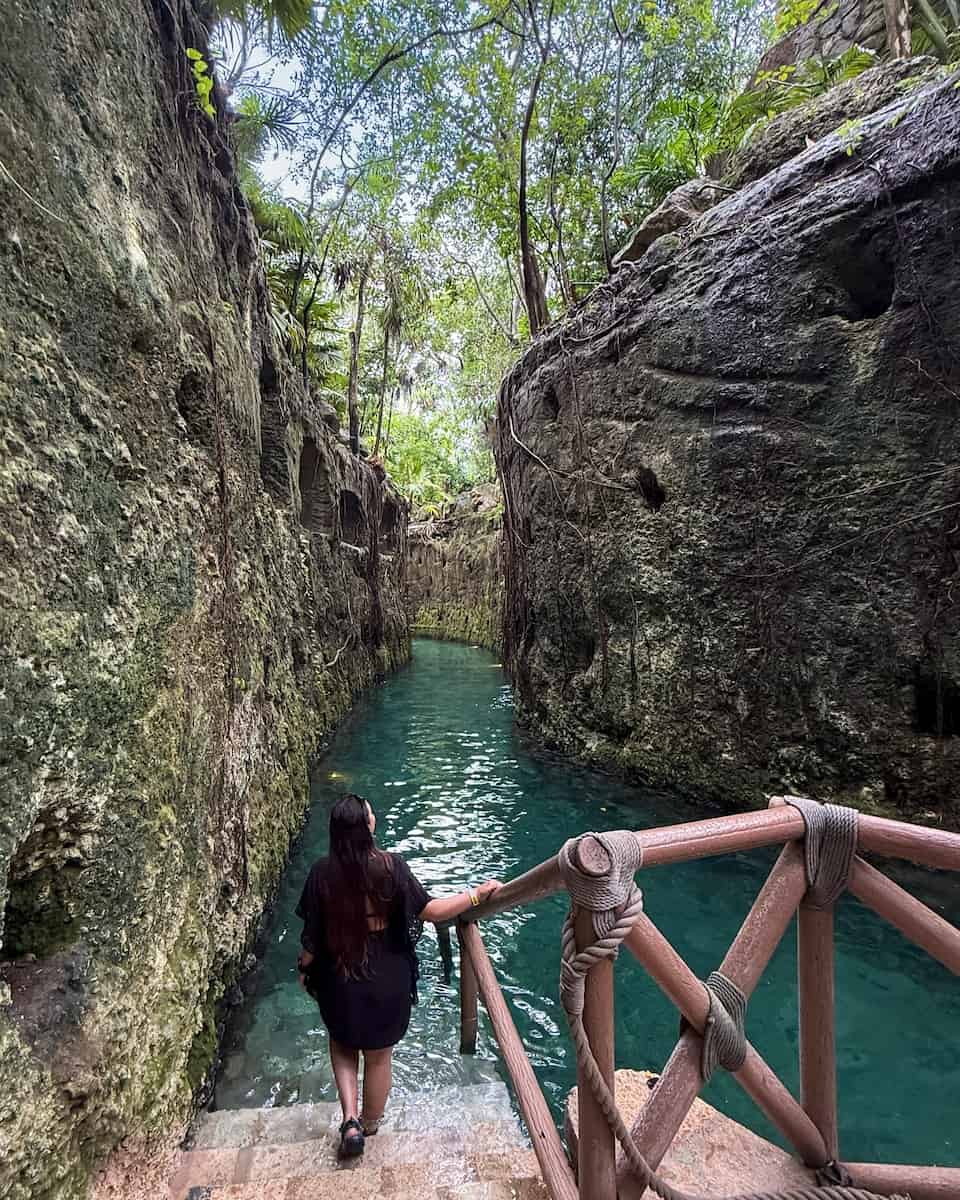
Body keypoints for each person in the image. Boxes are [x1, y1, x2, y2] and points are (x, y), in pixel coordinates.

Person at [295, 793, 502, 1158]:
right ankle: (371, 1124)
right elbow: (432, 911)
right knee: (379, 1056)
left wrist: (305, 968)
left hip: (341, 978)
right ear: (367, 826)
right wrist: (476, 896)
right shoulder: (391, 867)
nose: (374, 817)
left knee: (342, 1044)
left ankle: (350, 1119)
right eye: (371, 814)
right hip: (387, 979)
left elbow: (311, 938)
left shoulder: (321, 873)